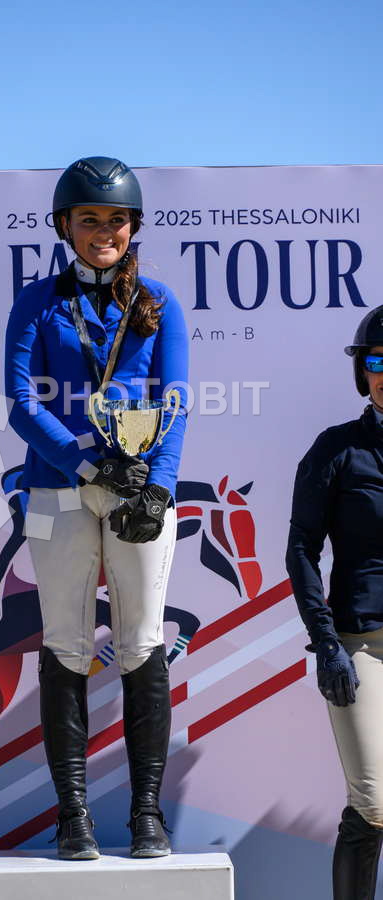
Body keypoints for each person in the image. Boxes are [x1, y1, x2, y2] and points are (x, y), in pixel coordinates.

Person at [5, 157, 188, 859]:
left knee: (141, 641)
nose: (104, 231)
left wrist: (158, 486)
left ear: (133, 226)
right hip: (55, 489)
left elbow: (174, 402)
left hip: (138, 487)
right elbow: (21, 404)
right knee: (65, 643)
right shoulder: (35, 302)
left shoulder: (160, 302)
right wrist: (84, 465)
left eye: (116, 220)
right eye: (89, 220)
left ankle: (146, 814)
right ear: (65, 226)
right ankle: (72, 816)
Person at [286, 305, 383, 900]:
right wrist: (326, 644)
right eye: (379, 362)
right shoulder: (337, 449)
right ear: (363, 372)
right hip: (360, 645)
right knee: (375, 801)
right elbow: (301, 548)